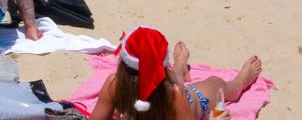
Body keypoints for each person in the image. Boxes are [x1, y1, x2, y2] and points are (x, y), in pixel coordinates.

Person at [89, 26, 262, 120]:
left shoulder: (114, 83)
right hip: (191, 101)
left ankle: (180, 66)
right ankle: (240, 81)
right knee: (218, 84)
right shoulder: (172, 94)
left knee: (176, 82)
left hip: (184, 98)